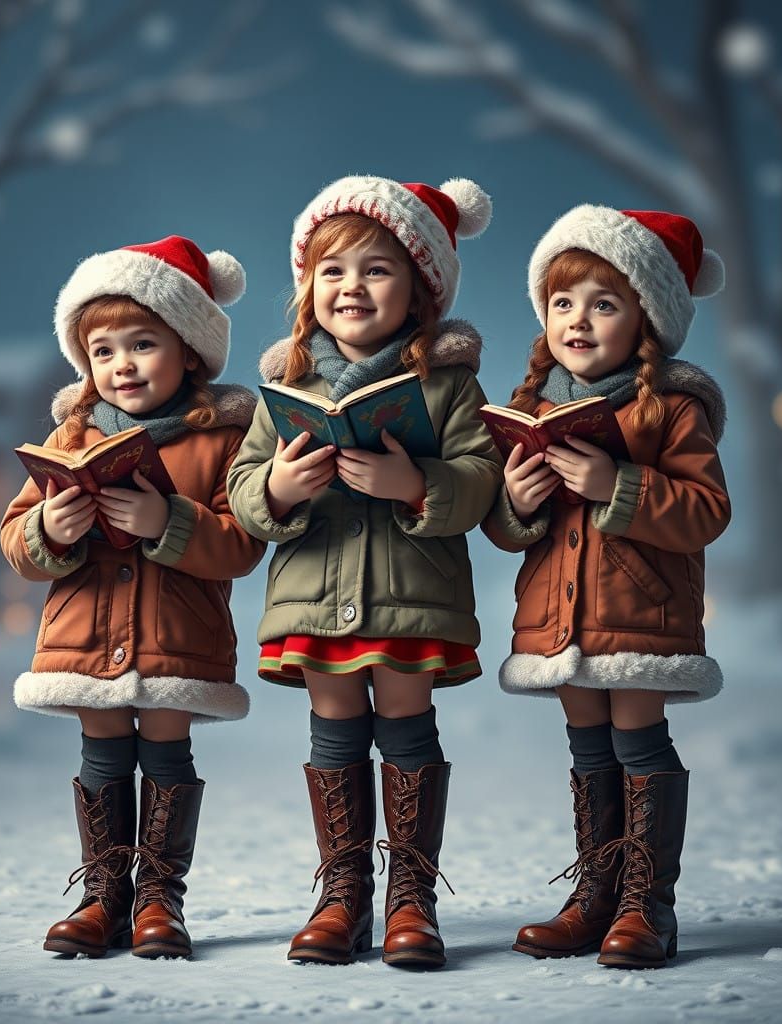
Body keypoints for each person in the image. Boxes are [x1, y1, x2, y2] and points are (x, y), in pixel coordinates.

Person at [227, 175, 502, 968]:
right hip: (316, 596)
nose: (352, 287)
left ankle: (411, 898)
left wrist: (415, 485)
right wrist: (278, 489)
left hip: (411, 595)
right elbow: (244, 490)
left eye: (376, 270)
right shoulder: (284, 386)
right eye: (333, 271)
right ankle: (341, 892)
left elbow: (480, 478)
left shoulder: (448, 384)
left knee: (407, 727)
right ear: (308, 288)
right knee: (336, 732)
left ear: (418, 291)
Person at [0, 235, 265, 959]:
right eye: (104, 350)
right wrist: (51, 527)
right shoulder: (72, 435)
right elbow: (15, 538)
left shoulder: (222, 438)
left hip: (176, 635)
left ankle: (159, 899)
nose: (122, 365)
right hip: (85, 635)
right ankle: (103, 894)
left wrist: (165, 522)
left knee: (165, 752)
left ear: (188, 350)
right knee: (103, 755)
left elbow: (242, 543)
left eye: (143, 344)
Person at [483, 206, 730, 969]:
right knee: (589, 748)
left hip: (641, 611)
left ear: (647, 319)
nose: (578, 320)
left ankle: (646, 905)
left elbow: (707, 511)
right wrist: (516, 502)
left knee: (637, 740)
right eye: (563, 303)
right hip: (560, 617)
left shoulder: (671, 408)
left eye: (604, 303)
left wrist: (614, 483)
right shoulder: (532, 410)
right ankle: (597, 892)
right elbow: (505, 528)